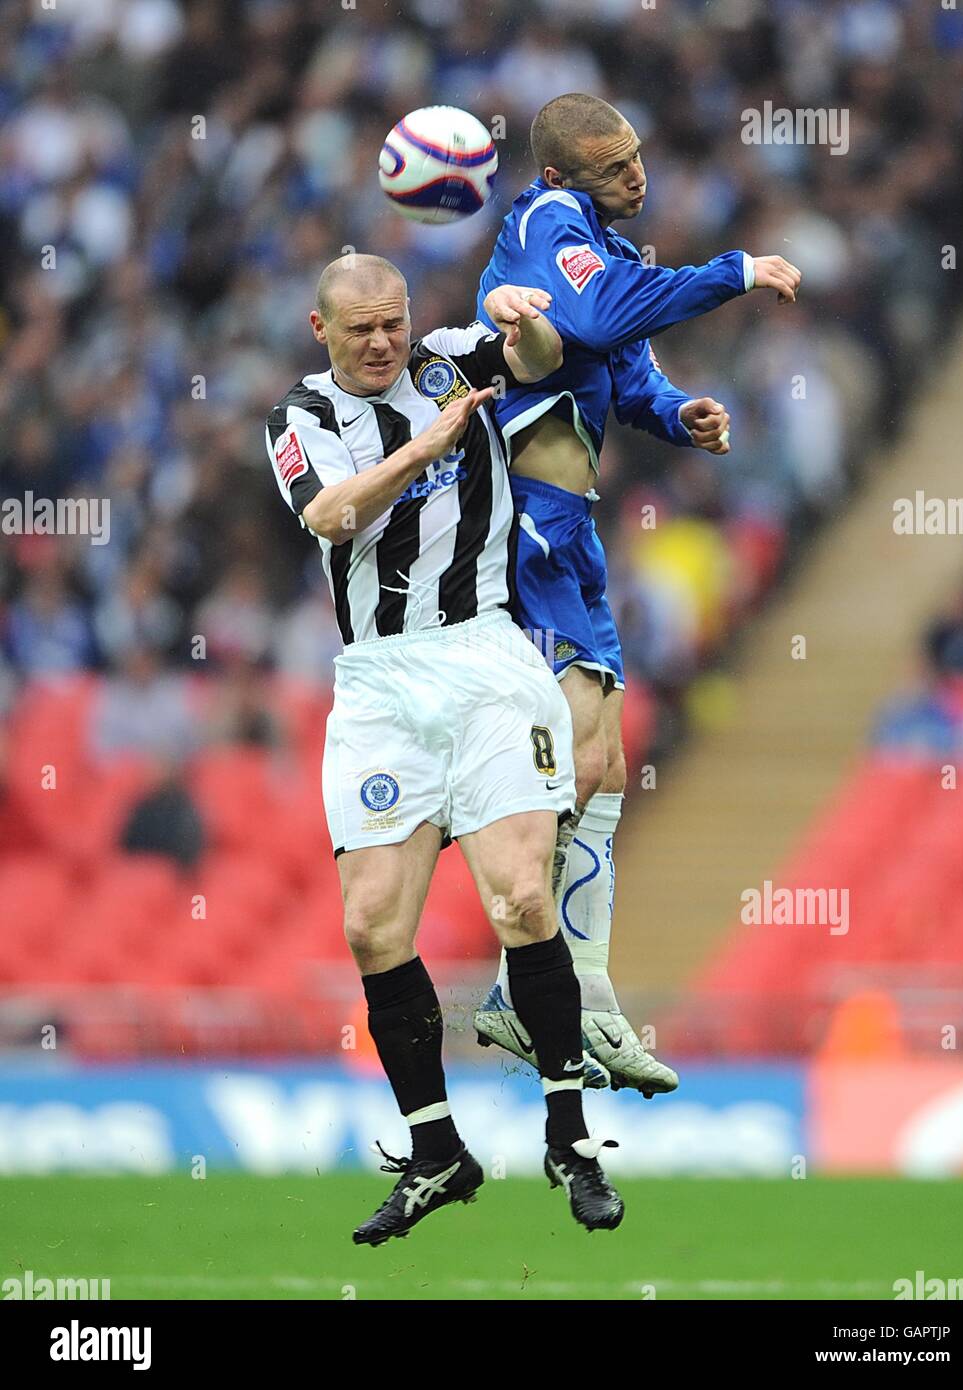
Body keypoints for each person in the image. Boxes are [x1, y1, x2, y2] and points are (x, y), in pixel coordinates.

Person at [265, 253, 624, 1243]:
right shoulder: (298, 418)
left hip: (484, 660)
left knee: (517, 894)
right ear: (320, 328)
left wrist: (520, 317)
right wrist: (426, 449)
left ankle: (570, 1138)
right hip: (379, 682)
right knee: (373, 927)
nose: (383, 342)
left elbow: (540, 357)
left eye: (394, 323)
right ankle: (436, 1152)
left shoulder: (450, 359)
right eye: (361, 329)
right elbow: (331, 517)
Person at [476, 93, 802, 1095]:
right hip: (528, 520)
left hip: (573, 530)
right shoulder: (544, 228)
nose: (637, 176)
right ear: (562, 175)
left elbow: (621, 364)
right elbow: (596, 316)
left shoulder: (602, 247)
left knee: (605, 764)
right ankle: (528, 987)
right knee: (573, 757)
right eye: (614, 165)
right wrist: (735, 272)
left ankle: (581, 988)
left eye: (637, 158)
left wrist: (681, 413)